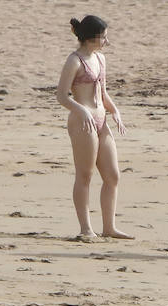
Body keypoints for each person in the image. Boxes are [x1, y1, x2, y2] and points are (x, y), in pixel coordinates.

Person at [55, 16, 130, 240]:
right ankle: (86, 228)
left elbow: (103, 93)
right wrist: (82, 110)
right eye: (103, 37)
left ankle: (109, 227)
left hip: (100, 120)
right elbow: (61, 96)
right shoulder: (74, 61)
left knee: (112, 175)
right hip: (82, 122)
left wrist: (115, 111)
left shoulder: (101, 59)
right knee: (85, 175)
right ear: (90, 38)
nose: (106, 42)